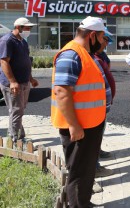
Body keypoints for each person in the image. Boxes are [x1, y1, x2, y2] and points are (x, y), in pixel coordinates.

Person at [51, 16, 112, 207]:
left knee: (86, 170)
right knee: (79, 171)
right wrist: (74, 125)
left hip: (89, 123)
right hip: (79, 127)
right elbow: (61, 91)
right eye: (102, 38)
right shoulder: (71, 54)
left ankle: (83, 202)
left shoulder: (83, 53)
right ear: (92, 35)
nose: (103, 43)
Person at [0, 17, 39, 143]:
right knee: (16, 110)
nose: (29, 30)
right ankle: (15, 139)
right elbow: (4, 62)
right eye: (27, 27)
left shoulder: (22, 41)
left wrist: (31, 78)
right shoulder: (7, 40)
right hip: (12, 84)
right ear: (18, 27)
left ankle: (19, 135)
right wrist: (12, 81)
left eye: (30, 28)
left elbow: (25, 60)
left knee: (20, 110)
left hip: (24, 81)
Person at [93, 31, 115, 183]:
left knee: (99, 132)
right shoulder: (91, 57)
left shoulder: (104, 56)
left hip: (101, 104)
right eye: (105, 40)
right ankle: (93, 169)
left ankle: (97, 153)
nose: (106, 44)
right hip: (92, 105)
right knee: (91, 138)